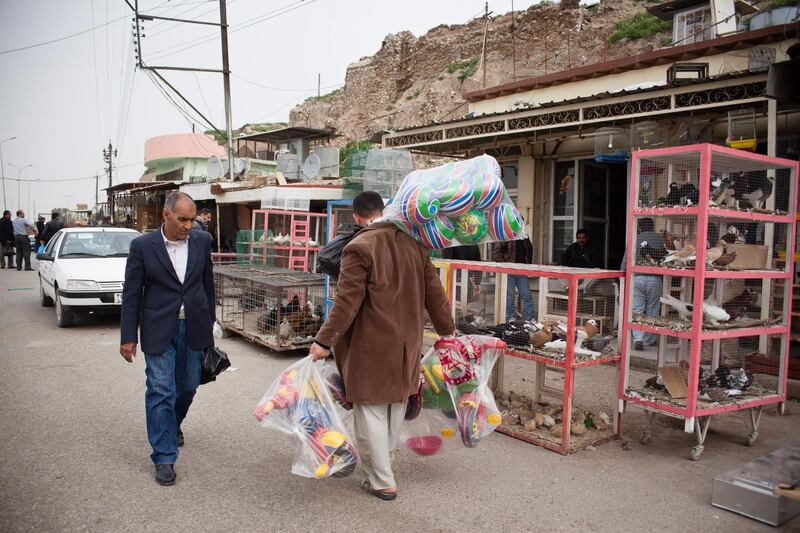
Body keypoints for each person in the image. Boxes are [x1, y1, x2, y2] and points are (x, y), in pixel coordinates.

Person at [309, 192, 454, 501]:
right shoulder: (414, 244)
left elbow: (346, 303)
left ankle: (382, 480)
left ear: (358, 217)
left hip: (370, 344)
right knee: (395, 406)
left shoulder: (359, 247)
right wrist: (448, 332)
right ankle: (384, 468)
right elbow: (436, 295)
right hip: (407, 344)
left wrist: (324, 341)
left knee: (371, 410)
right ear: (383, 210)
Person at [119, 191, 216, 487]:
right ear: (166, 215)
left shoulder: (202, 241)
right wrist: (128, 337)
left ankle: (171, 425)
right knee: (161, 388)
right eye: (182, 219)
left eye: (192, 219)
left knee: (186, 387)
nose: (188, 226)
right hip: (159, 327)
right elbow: (132, 292)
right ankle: (163, 455)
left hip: (194, 327)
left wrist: (211, 322)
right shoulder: (143, 247)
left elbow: (206, 284)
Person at [620, 218, 666, 351]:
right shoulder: (659, 239)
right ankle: (649, 339)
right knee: (653, 308)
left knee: (637, 309)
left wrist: (622, 278)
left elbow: (626, 261)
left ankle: (638, 338)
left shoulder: (634, 239)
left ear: (639, 227)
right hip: (655, 279)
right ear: (652, 227)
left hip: (637, 277)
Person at [492, 234, 535, 322]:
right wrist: (506, 266)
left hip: (522, 271)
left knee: (527, 295)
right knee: (509, 296)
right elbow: (496, 253)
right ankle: (511, 317)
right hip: (509, 272)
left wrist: (528, 266)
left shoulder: (524, 236)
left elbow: (529, 250)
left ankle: (530, 319)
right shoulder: (505, 235)